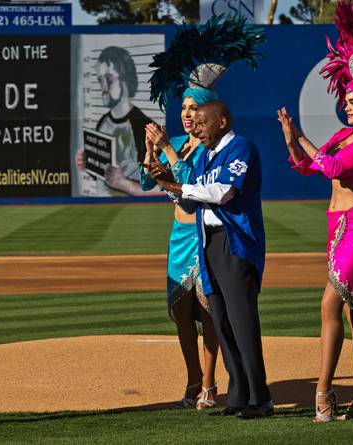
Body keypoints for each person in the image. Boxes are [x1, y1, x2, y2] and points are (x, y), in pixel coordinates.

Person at [276, 0, 353, 423]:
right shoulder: (345, 135)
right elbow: (310, 166)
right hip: (336, 225)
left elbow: (333, 167)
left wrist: (305, 140)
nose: (346, 105)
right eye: (345, 100)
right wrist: (292, 139)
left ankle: (324, 393)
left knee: (330, 304)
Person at [151, 100, 272, 419]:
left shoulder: (242, 148)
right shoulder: (206, 155)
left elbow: (222, 193)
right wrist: (167, 184)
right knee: (221, 319)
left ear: (222, 121)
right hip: (207, 243)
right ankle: (237, 397)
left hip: (235, 243)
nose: (196, 129)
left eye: (202, 123)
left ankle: (260, 399)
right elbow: (191, 204)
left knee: (242, 321)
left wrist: (177, 184)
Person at [140, 88, 220, 409]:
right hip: (178, 238)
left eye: (194, 107)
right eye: (184, 107)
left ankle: (211, 385)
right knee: (181, 313)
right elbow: (146, 182)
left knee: (207, 311)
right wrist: (150, 151)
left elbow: (192, 189)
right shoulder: (176, 144)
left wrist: (165, 151)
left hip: (203, 235)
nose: (187, 114)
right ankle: (193, 378)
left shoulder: (210, 149)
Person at [75, 46, 157, 196]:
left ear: (125, 79)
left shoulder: (143, 127)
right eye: (101, 80)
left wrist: (124, 184)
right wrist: (88, 163)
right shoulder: (103, 122)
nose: (103, 87)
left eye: (109, 79)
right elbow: (104, 173)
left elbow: (164, 188)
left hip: (137, 213)